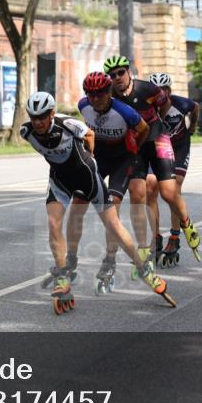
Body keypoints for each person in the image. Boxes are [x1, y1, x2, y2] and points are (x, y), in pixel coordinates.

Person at [20, 90, 175, 311]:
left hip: (88, 179)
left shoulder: (67, 123)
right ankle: (63, 277)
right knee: (54, 223)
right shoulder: (26, 132)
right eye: (33, 117)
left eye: (42, 116)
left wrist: (89, 157)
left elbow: (90, 135)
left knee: (113, 225)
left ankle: (145, 270)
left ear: (52, 113)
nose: (37, 122)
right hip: (60, 181)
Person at [103, 55, 200, 264]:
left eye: (121, 72)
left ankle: (183, 225)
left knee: (169, 191)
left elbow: (165, 109)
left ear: (128, 72)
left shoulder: (147, 89)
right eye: (112, 75)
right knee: (140, 193)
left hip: (158, 139)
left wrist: (161, 125)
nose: (117, 77)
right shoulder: (110, 97)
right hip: (137, 146)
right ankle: (147, 243)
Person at [77, 71, 150, 292]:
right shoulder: (83, 105)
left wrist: (134, 147)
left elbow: (144, 129)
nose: (95, 99)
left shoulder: (124, 111)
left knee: (112, 207)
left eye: (99, 94)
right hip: (100, 157)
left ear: (109, 92)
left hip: (122, 159)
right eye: (90, 94)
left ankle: (109, 261)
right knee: (78, 203)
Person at [144, 72, 199, 267]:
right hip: (159, 148)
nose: (161, 93)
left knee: (173, 190)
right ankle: (156, 236)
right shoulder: (146, 107)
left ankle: (175, 237)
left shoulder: (180, 103)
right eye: (157, 90)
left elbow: (196, 107)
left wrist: (192, 126)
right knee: (149, 187)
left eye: (165, 89)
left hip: (180, 147)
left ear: (170, 90)